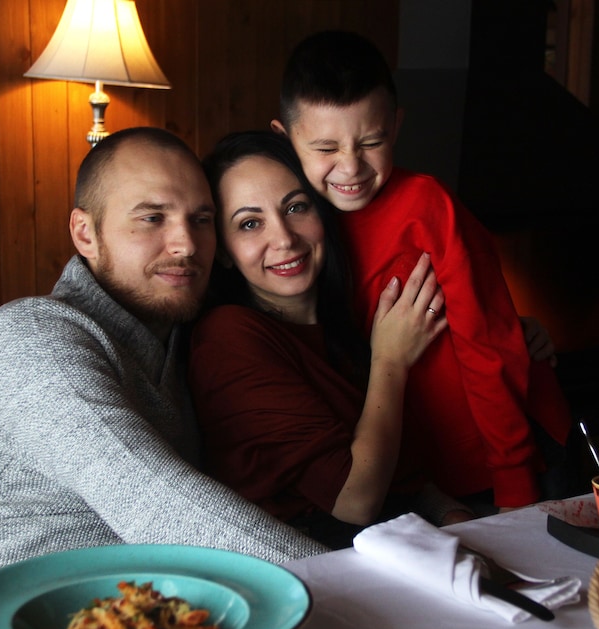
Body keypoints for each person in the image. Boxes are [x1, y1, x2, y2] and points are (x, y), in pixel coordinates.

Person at [0, 127, 327, 626]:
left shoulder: (193, 347)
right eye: (152, 218)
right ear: (85, 233)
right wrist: (362, 582)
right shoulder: (30, 336)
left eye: (202, 219)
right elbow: (155, 500)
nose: (187, 244)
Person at [271, 30, 576, 510]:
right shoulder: (294, 227)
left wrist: (514, 480)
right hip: (411, 467)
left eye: (371, 141)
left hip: (508, 448)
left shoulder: (428, 207)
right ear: (285, 140)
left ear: (395, 126)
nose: (350, 168)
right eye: (326, 148)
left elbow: (487, 343)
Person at [189, 131, 472, 549]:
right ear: (224, 252)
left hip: (404, 535)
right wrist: (390, 361)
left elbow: (397, 463)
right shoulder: (227, 336)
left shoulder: (348, 320)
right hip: (310, 561)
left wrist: (449, 515)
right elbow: (354, 501)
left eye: (296, 207)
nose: (284, 238)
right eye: (250, 223)